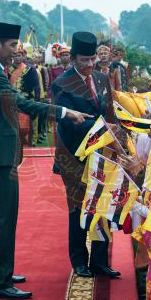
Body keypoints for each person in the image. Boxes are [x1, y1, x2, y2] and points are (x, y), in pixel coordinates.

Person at [0, 22, 90, 300]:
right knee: (4, 216)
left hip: (0, 151)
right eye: (12, 45)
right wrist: (64, 112)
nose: (16, 50)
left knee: (2, 214)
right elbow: (22, 103)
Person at [51, 31, 120, 279]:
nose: (90, 64)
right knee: (79, 208)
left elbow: (109, 112)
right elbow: (69, 123)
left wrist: (118, 131)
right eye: (84, 60)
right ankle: (79, 261)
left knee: (103, 206)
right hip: (74, 156)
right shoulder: (61, 83)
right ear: (72, 58)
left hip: (103, 155)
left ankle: (100, 261)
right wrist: (104, 129)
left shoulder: (101, 78)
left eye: (93, 59)